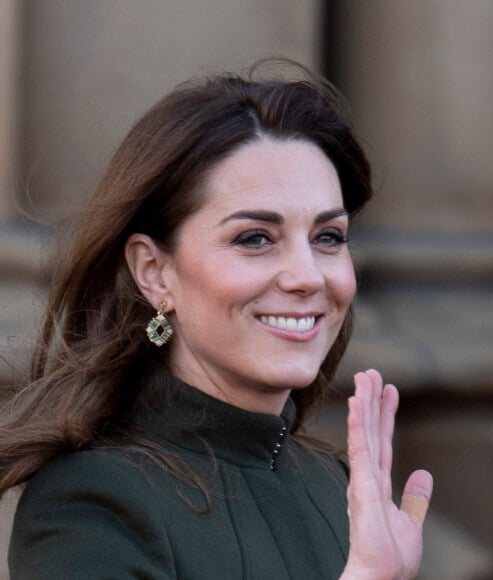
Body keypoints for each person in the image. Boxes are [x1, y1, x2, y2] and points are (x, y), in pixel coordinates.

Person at [0, 61, 432, 579]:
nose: (307, 276)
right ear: (154, 272)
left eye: (328, 237)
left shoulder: (340, 492)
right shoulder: (91, 503)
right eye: (255, 238)